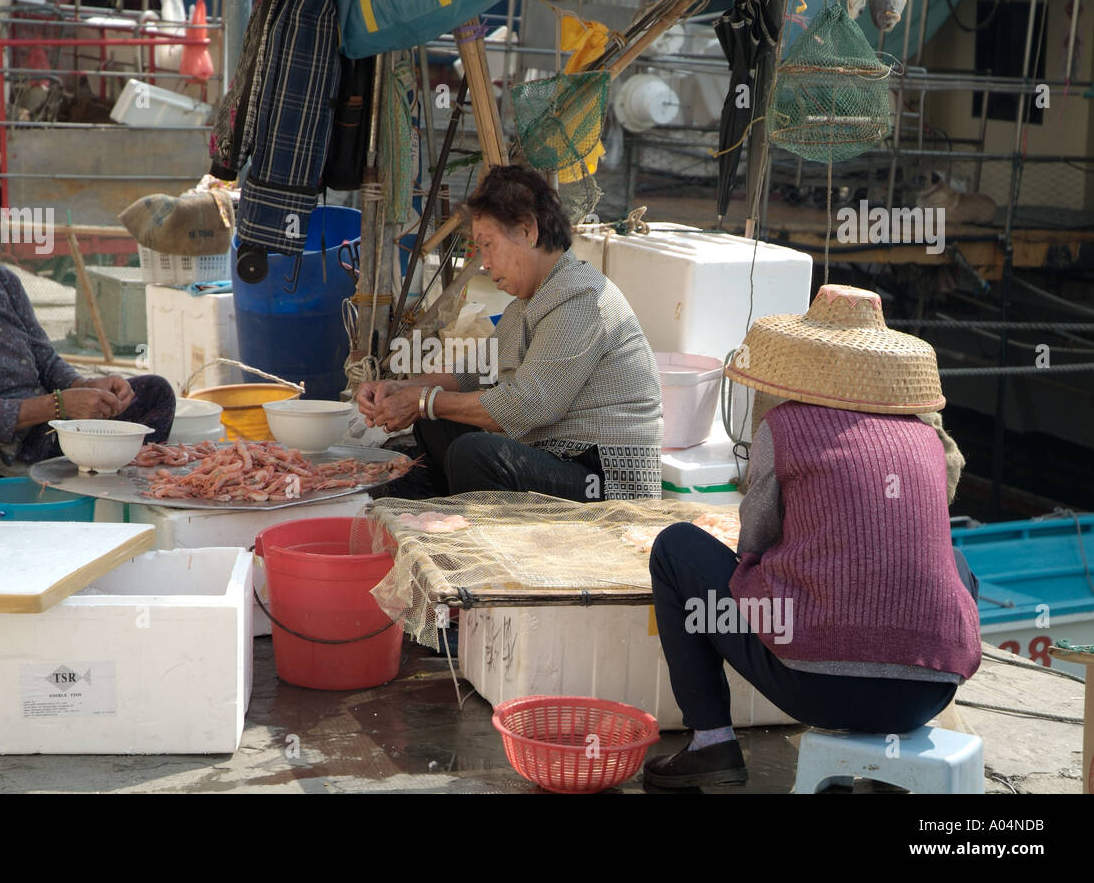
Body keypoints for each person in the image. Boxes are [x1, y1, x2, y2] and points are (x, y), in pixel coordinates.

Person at [644, 284, 981, 790]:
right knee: (953, 558)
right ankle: (885, 759)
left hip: (816, 686)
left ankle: (711, 742)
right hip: (928, 693)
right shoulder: (927, 440)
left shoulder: (785, 427)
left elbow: (752, 547)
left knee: (675, 547)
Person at [356, 165, 665, 500]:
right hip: (560, 457)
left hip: (605, 478)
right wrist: (403, 388)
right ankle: (434, 513)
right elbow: (475, 371)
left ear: (527, 231)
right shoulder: (530, 302)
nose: (484, 262)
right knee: (436, 423)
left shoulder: (582, 299)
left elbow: (525, 405)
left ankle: (464, 534)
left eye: (488, 245)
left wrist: (422, 400)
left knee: (475, 453)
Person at [0, 183, 175, 524]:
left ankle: (101, 501)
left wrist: (87, 385)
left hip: (39, 439)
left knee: (155, 393)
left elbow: (44, 358)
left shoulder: (4, 284)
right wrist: (60, 404)